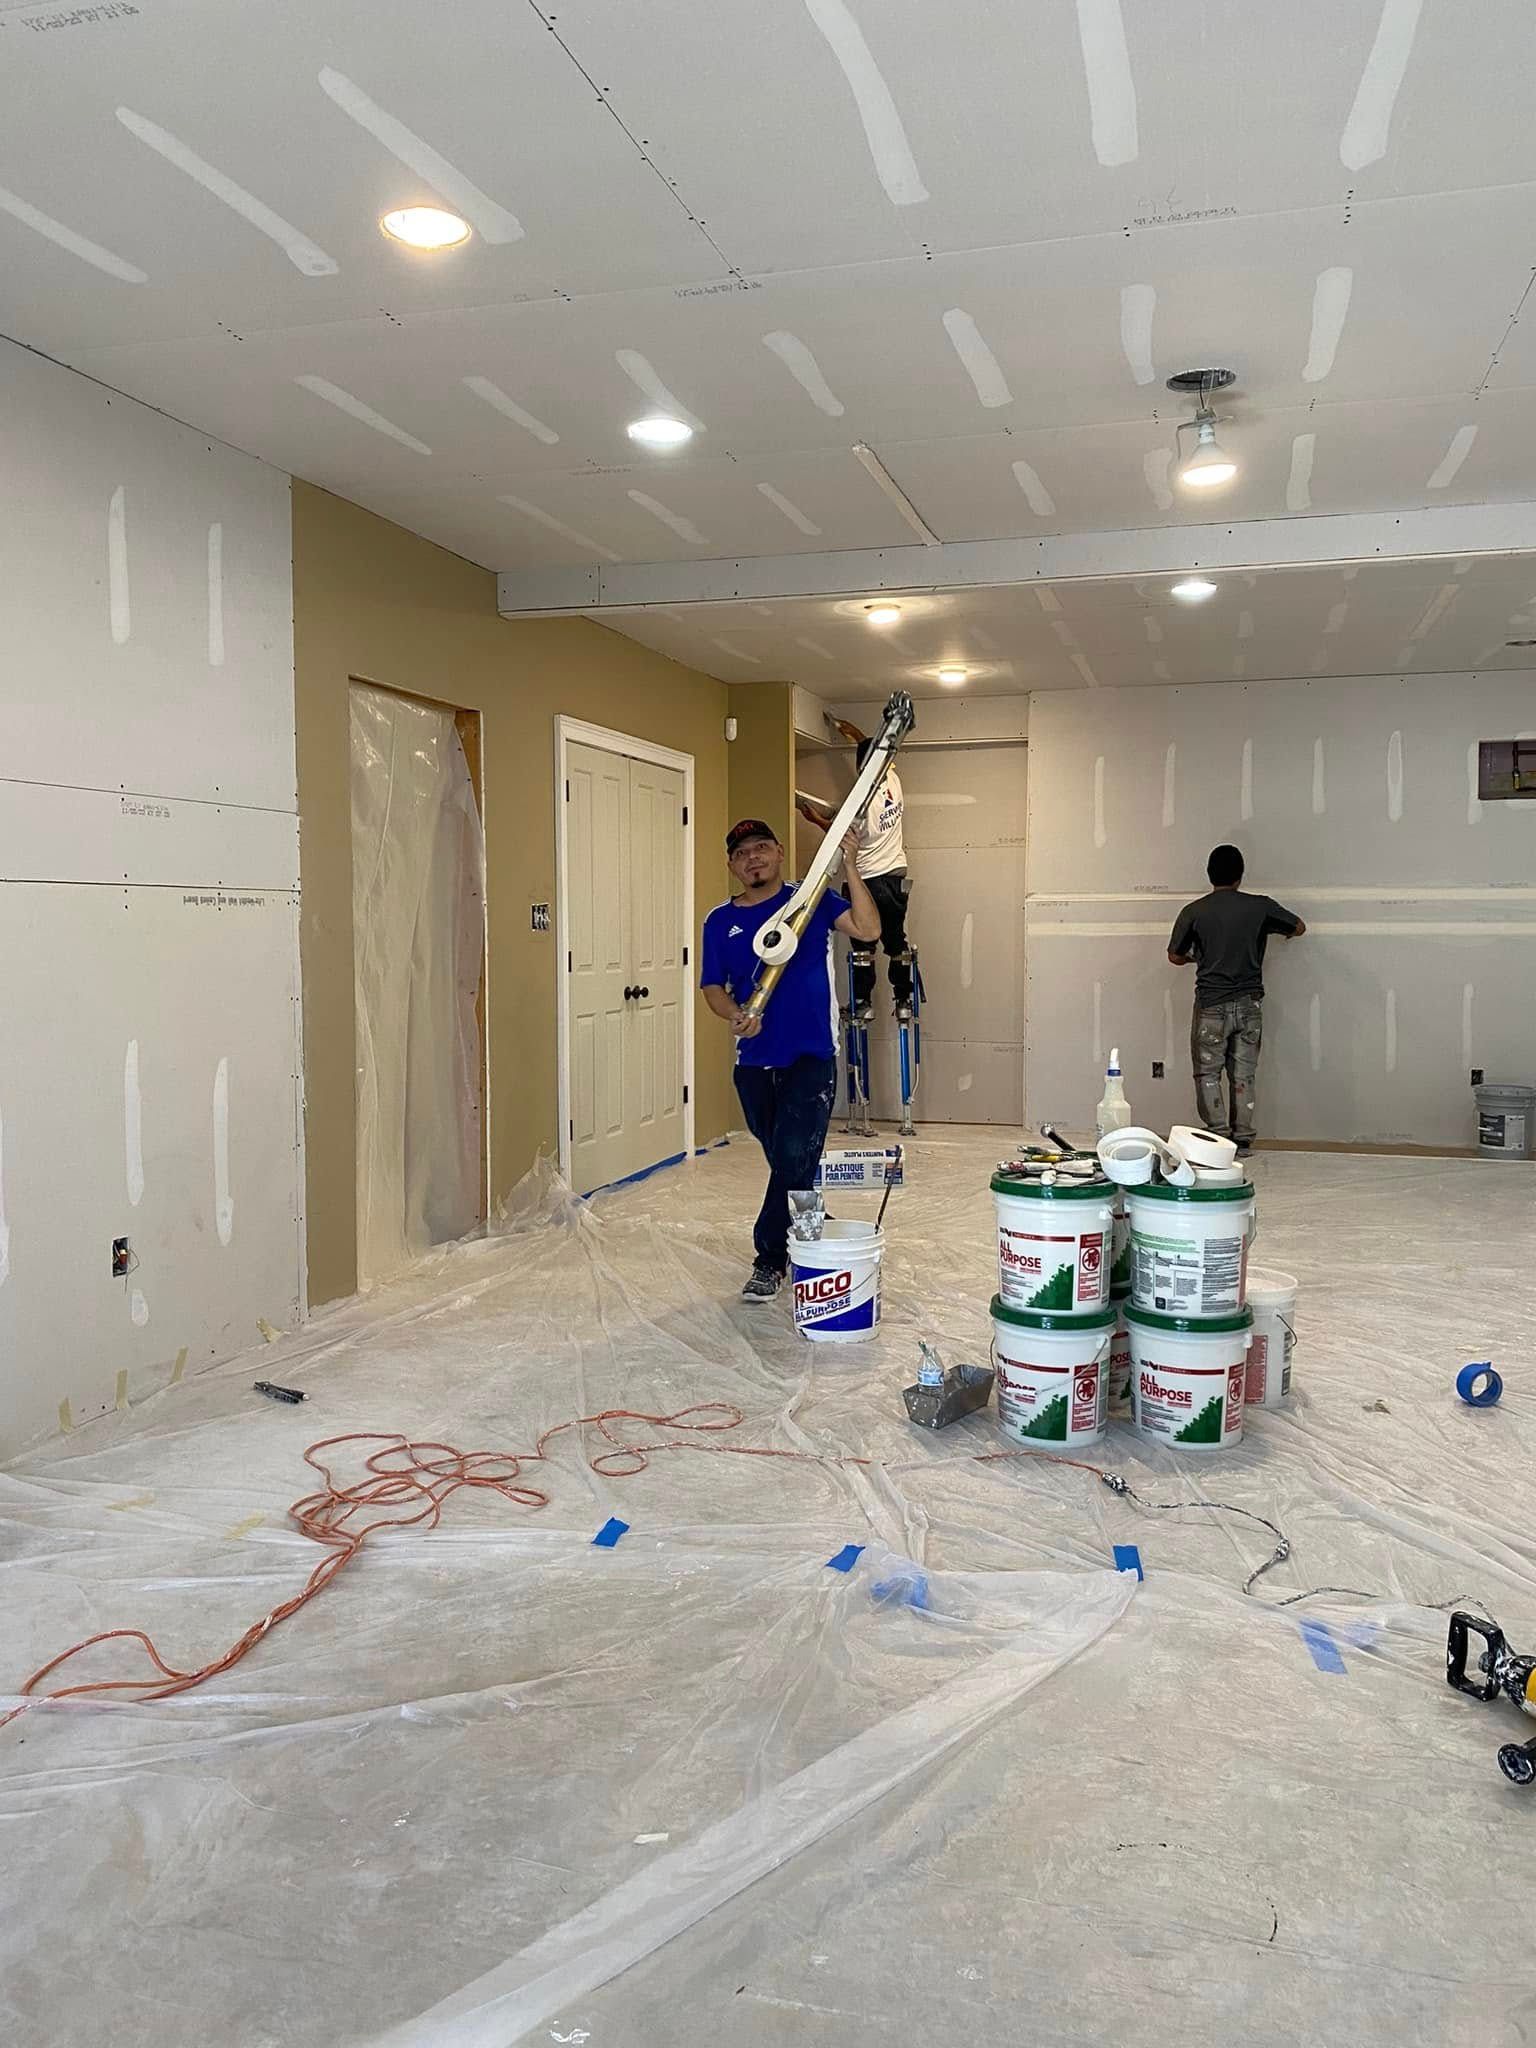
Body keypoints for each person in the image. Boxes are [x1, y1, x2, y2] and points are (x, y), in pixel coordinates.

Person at [701, 818, 882, 1302]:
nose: (753, 858)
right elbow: (713, 988)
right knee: (788, 1158)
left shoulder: (810, 900)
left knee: (790, 1155)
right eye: (742, 853)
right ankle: (810, 1221)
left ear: (779, 852)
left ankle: (769, 1260)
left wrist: (851, 864)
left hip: (811, 1055)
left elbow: (868, 928)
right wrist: (736, 1015)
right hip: (754, 1060)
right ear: (732, 865)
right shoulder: (720, 921)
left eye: (762, 847)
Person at [1168, 845, 1306, 1154]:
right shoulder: (1260, 907)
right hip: (1249, 1005)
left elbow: (1174, 955)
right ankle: (1242, 1139)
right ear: (1240, 875)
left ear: (1209, 874)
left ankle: (1218, 1136)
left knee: (1208, 1072)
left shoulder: (1194, 911)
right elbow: (1298, 927)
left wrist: (1197, 959)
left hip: (1210, 1006)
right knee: (1243, 1073)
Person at [800, 740, 911, 1020]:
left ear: (862, 766)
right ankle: (903, 1000)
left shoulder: (861, 804)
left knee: (864, 946)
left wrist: (813, 819)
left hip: (866, 879)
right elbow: (873, 747)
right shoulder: (894, 779)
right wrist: (846, 729)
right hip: (896, 875)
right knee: (896, 943)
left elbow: (842, 835)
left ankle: (863, 1003)